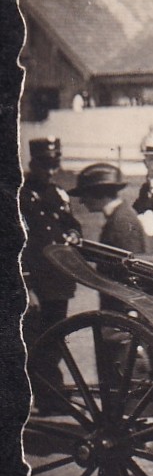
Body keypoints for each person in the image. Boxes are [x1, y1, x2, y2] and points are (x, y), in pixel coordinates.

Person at [20, 138, 82, 343]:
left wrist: (74, 233)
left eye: (54, 166)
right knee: (33, 344)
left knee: (55, 341)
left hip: (58, 283)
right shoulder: (20, 196)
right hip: (34, 284)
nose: (51, 171)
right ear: (33, 165)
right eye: (45, 166)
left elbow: (72, 223)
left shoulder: (58, 194)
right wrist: (26, 288)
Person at [71, 163, 148, 314]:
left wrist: (131, 309)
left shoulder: (121, 221)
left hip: (122, 307)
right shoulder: (120, 216)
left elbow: (133, 269)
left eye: (84, 194)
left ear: (98, 193)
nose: (81, 201)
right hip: (117, 303)